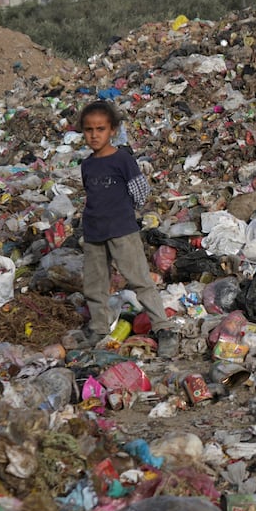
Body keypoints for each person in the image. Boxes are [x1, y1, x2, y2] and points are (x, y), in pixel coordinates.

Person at [78, 99, 166, 337]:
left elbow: (141, 192)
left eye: (100, 129)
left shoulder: (123, 160)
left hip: (122, 230)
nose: (94, 135)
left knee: (139, 280)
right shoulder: (87, 165)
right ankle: (98, 328)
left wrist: (124, 212)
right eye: (89, 130)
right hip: (94, 232)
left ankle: (162, 327)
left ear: (113, 130)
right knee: (95, 286)